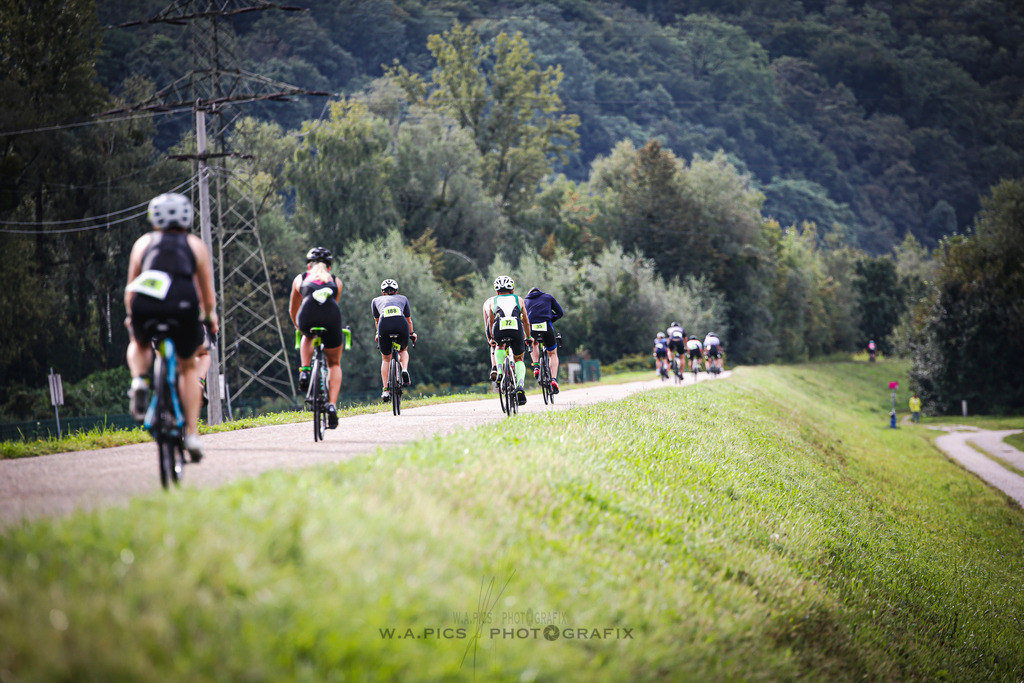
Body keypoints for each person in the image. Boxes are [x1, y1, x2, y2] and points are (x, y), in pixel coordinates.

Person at [125, 192, 218, 462]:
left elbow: (130, 288)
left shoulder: (143, 243)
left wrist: (132, 316)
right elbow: (207, 294)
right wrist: (210, 317)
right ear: (187, 217)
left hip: (147, 303)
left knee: (140, 342)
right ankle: (191, 433)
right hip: (182, 306)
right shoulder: (195, 245)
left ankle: (139, 380)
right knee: (188, 367)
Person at [289, 246, 344, 429]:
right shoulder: (336, 281)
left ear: (308, 266)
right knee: (334, 363)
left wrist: (299, 326)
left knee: (307, 334)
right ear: (329, 267)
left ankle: (304, 370)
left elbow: (293, 309)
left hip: (307, 315)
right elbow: (332, 305)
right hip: (331, 317)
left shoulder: (301, 278)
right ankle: (332, 405)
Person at [483, 275, 531, 406]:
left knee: (499, 347)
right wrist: (528, 337)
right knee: (519, 358)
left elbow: (491, 322)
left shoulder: (493, 301)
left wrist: (492, 338)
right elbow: (526, 321)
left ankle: (499, 371)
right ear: (512, 289)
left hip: (499, 327)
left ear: (497, 291)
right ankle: (520, 386)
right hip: (516, 328)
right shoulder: (519, 299)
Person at [372, 278, 417, 402]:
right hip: (401, 324)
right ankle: (404, 369)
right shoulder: (403, 299)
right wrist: (412, 333)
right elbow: (409, 320)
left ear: (383, 293)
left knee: (386, 358)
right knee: (403, 350)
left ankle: (385, 390)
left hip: (384, 326)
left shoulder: (375, 300)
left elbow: (377, 321)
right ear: (396, 291)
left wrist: (378, 334)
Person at [524, 286, 563, 394]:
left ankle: (536, 366)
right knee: (552, 353)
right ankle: (554, 380)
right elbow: (560, 313)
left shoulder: (525, 301)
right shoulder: (548, 297)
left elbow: (522, 319)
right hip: (547, 326)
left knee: (534, 343)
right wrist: (551, 319)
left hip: (532, 327)